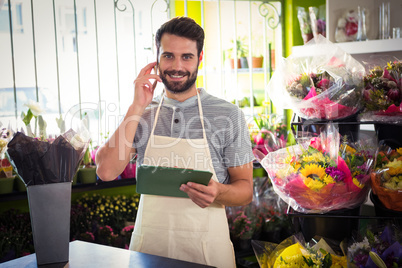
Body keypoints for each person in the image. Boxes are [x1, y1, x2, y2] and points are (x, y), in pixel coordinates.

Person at [96, 16, 254, 268]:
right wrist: (136, 106)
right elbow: (106, 171)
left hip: (208, 253)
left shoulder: (228, 115)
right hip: (149, 251)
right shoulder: (141, 113)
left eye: (187, 57)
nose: (177, 66)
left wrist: (219, 192)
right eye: (168, 56)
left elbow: (245, 189)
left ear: (200, 58)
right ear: (156, 58)